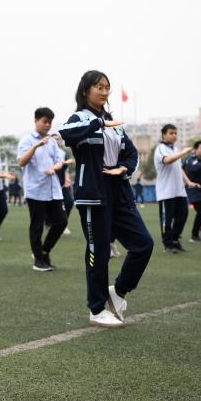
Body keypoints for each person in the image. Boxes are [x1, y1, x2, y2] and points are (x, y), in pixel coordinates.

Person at [58, 70, 153, 328]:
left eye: (106, 87)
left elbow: (131, 152)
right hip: (93, 193)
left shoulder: (112, 121)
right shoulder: (80, 118)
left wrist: (124, 167)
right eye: (98, 86)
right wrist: (99, 124)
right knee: (98, 251)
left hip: (119, 191)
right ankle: (97, 308)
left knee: (143, 244)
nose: (104, 91)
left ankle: (118, 290)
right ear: (86, 90)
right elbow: (66, 133)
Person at [17, 107, 68, 271]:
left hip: (53, 189)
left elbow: (60, 160)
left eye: (50, 122)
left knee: (61, 221)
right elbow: (21, 162)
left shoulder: (52, 141)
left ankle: (44, 251)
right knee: (37, 225)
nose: (47, 125)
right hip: (36, 189)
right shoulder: (27, 140)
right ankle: (38, 261)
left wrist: (55, 167)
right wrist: (36, 146)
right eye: (44, 122)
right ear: (36, 121)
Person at [154, 124, 198, 253]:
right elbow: (167, 160)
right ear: (163, 135)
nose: (174, 135)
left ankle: (175, 240)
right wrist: (183, 152)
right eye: (171, 133)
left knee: (183, 215)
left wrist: (189, 182)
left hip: (179, 190)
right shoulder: (160, 148)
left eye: (175, 133)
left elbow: (179, 168)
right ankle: (167, 244)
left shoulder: (175, 149)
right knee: (166, 219)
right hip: (166, 191)